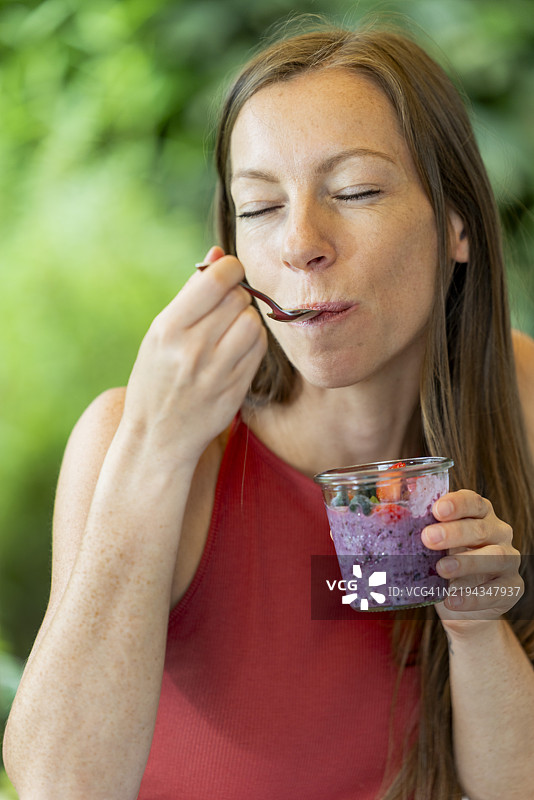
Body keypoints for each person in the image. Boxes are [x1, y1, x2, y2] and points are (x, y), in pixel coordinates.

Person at [3, 20, 534, 800]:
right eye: (260, 207)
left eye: (354, 191)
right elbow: (58, 786)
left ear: (455, 224)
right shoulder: (141, 440)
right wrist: (155, 448)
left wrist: (479, 627)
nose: (301, 243)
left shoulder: (520, 404)